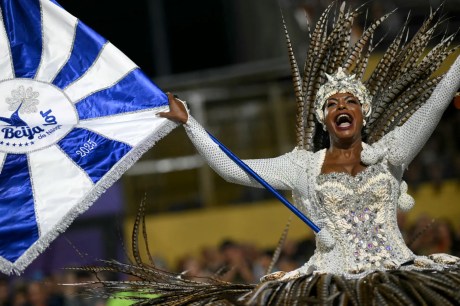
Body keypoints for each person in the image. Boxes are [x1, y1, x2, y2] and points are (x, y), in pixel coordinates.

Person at [81, 2, 460, 304]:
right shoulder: (302, 167)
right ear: (325, 119)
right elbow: (233, 170)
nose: (341, 106)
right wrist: (190, 123)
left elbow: (437, 100)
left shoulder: (392, 152)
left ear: (363, 112)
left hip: (405, 277)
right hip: (334, 287)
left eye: (350, 101)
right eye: (331, 104)